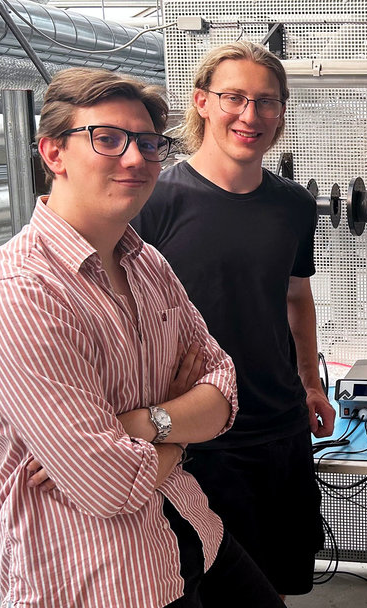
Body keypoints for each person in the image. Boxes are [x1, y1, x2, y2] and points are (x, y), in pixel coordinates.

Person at [0, 68, 284, 607]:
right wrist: (177, 429)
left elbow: (223, 388)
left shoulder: (146, 262)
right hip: (105, 578)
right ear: (54, 153)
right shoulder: (18, 295)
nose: (135, 159)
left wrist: (138, 425)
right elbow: (110, 484)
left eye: (148, 144)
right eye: (107, 139)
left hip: (193, 530)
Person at [132, 41, 333, 600]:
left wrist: (310, 383)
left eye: (266, 101)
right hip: (197, 439)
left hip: (280, 428)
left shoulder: (294, 205)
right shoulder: (154, 202)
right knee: (210, 592)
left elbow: (297, 297)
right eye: (234, 98)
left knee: (276, 587)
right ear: (202, 102)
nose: (251, 115)